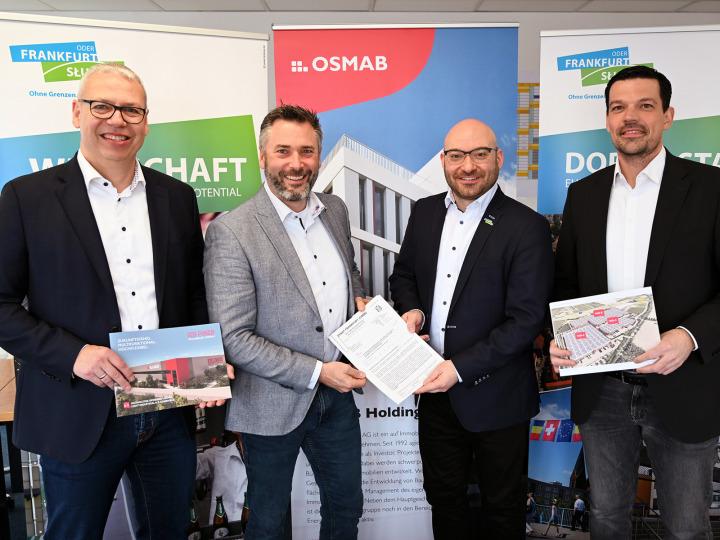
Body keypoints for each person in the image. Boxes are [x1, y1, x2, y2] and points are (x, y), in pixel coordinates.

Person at [0, 64, 213, 539]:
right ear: (77, 112)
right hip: (77, 409)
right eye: (103, 106)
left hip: (167, 405)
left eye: (131, 110)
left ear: (145, 122)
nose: (117, 119)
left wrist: (209, 359)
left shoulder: (177, 198)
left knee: (170, 532)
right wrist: (74, 355)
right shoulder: (26, 198)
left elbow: (192, 294)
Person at [551, 65, 720, 539]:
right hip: (603, 389)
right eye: (619, 107)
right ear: (607, 120)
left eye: (645, 106)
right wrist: (562, 336)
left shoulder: (710, 189)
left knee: (686, 528)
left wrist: (689, 337)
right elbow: (565, 284)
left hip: (683, 386)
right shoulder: (583, 195)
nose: (631, 117)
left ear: (668, 115)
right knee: (606, 519)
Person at [204, 104, 367, 540]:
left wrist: (362, 307)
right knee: (271, 522)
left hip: (336, 404)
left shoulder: (335, 209)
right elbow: (234, 338)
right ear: (262, 157)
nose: (296, 164)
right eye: (283, 151)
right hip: (269, 404)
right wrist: (318, 372)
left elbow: (348, 278)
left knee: (346, 507)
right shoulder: (232, 231)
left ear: (319, 155)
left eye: (307, 151)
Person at [389, 119, 554, 539]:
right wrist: (413, 313)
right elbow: (404, 276)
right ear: (444, 161)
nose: (468, 166)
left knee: (502, 508)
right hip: (436, 396)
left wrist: (458, 369)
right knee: (444, 500)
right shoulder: (424, 212)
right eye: (457, 156)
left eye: (480, 154)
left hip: (497, 395)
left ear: (498, 158)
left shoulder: (526, 226)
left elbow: (526, 319)